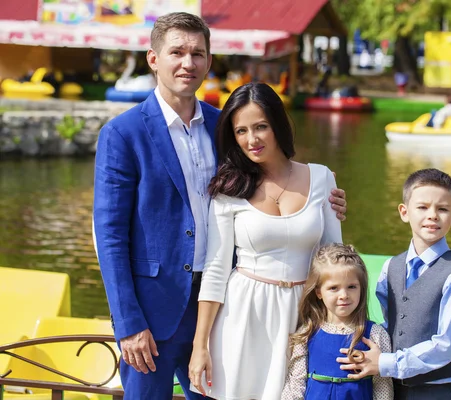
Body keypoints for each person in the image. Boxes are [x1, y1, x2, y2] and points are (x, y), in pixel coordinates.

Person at [93, 12, 348, 400]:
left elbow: (275, 178)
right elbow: (109, 235)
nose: (187, 62)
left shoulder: (225, 126)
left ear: (209, 61)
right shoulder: (122, 134)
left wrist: (324, 203)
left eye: (198, 53)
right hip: (153, 312)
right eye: (176, 52)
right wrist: (128, 322)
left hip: (224, 307)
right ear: (153, 59)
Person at [188, 82, 343, 400]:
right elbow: (216, 270)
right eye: (241, 131)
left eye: (261, 127)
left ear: (278, 125)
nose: (251, 139)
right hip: (244, 314)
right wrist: (200, 345)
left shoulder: (322, 178)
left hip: (303, 315)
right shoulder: (228, 189)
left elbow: (334, 262)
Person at [337, 168, 451, 400]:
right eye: (422, 207)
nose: (433, 215)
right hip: (392, 388)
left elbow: (447, 344)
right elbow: (391, 324)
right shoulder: (391, 267)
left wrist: (385, 362)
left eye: (442, 209)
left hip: (436, 392)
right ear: (404, 212)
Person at [282, 243, 393, 400]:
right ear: (319, 292)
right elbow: (295, 384)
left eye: (352, 287)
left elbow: (383, 386)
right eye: (334, 288)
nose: (344, 295)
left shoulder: (375, 334)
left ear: (362, 288)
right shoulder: (307, 333)